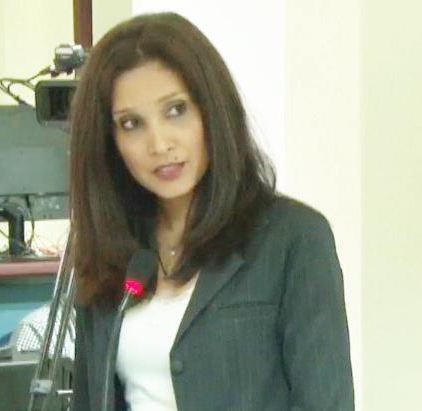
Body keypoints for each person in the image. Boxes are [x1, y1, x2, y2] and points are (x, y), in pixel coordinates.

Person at [69, 12, 354, 411]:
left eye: (176, 110)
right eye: (131, 123)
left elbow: (325, 402)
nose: (159, 144)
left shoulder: (293, 238)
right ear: (109, 141)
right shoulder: (112, 252)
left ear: (212, 110)